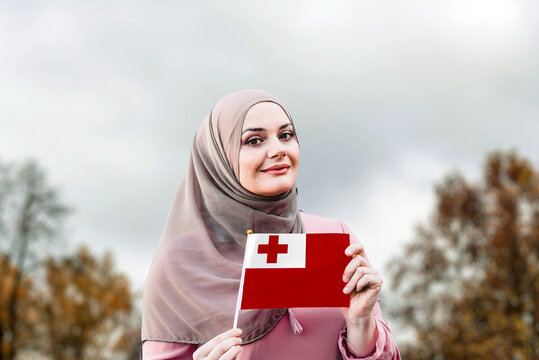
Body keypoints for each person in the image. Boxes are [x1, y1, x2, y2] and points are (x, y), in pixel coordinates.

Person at [141, 89, 400, 359]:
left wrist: (361, 325)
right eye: (254, 140)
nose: (278, 150)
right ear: (218, 158)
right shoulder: (180, 263)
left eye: (286, 135)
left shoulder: (334, 238)